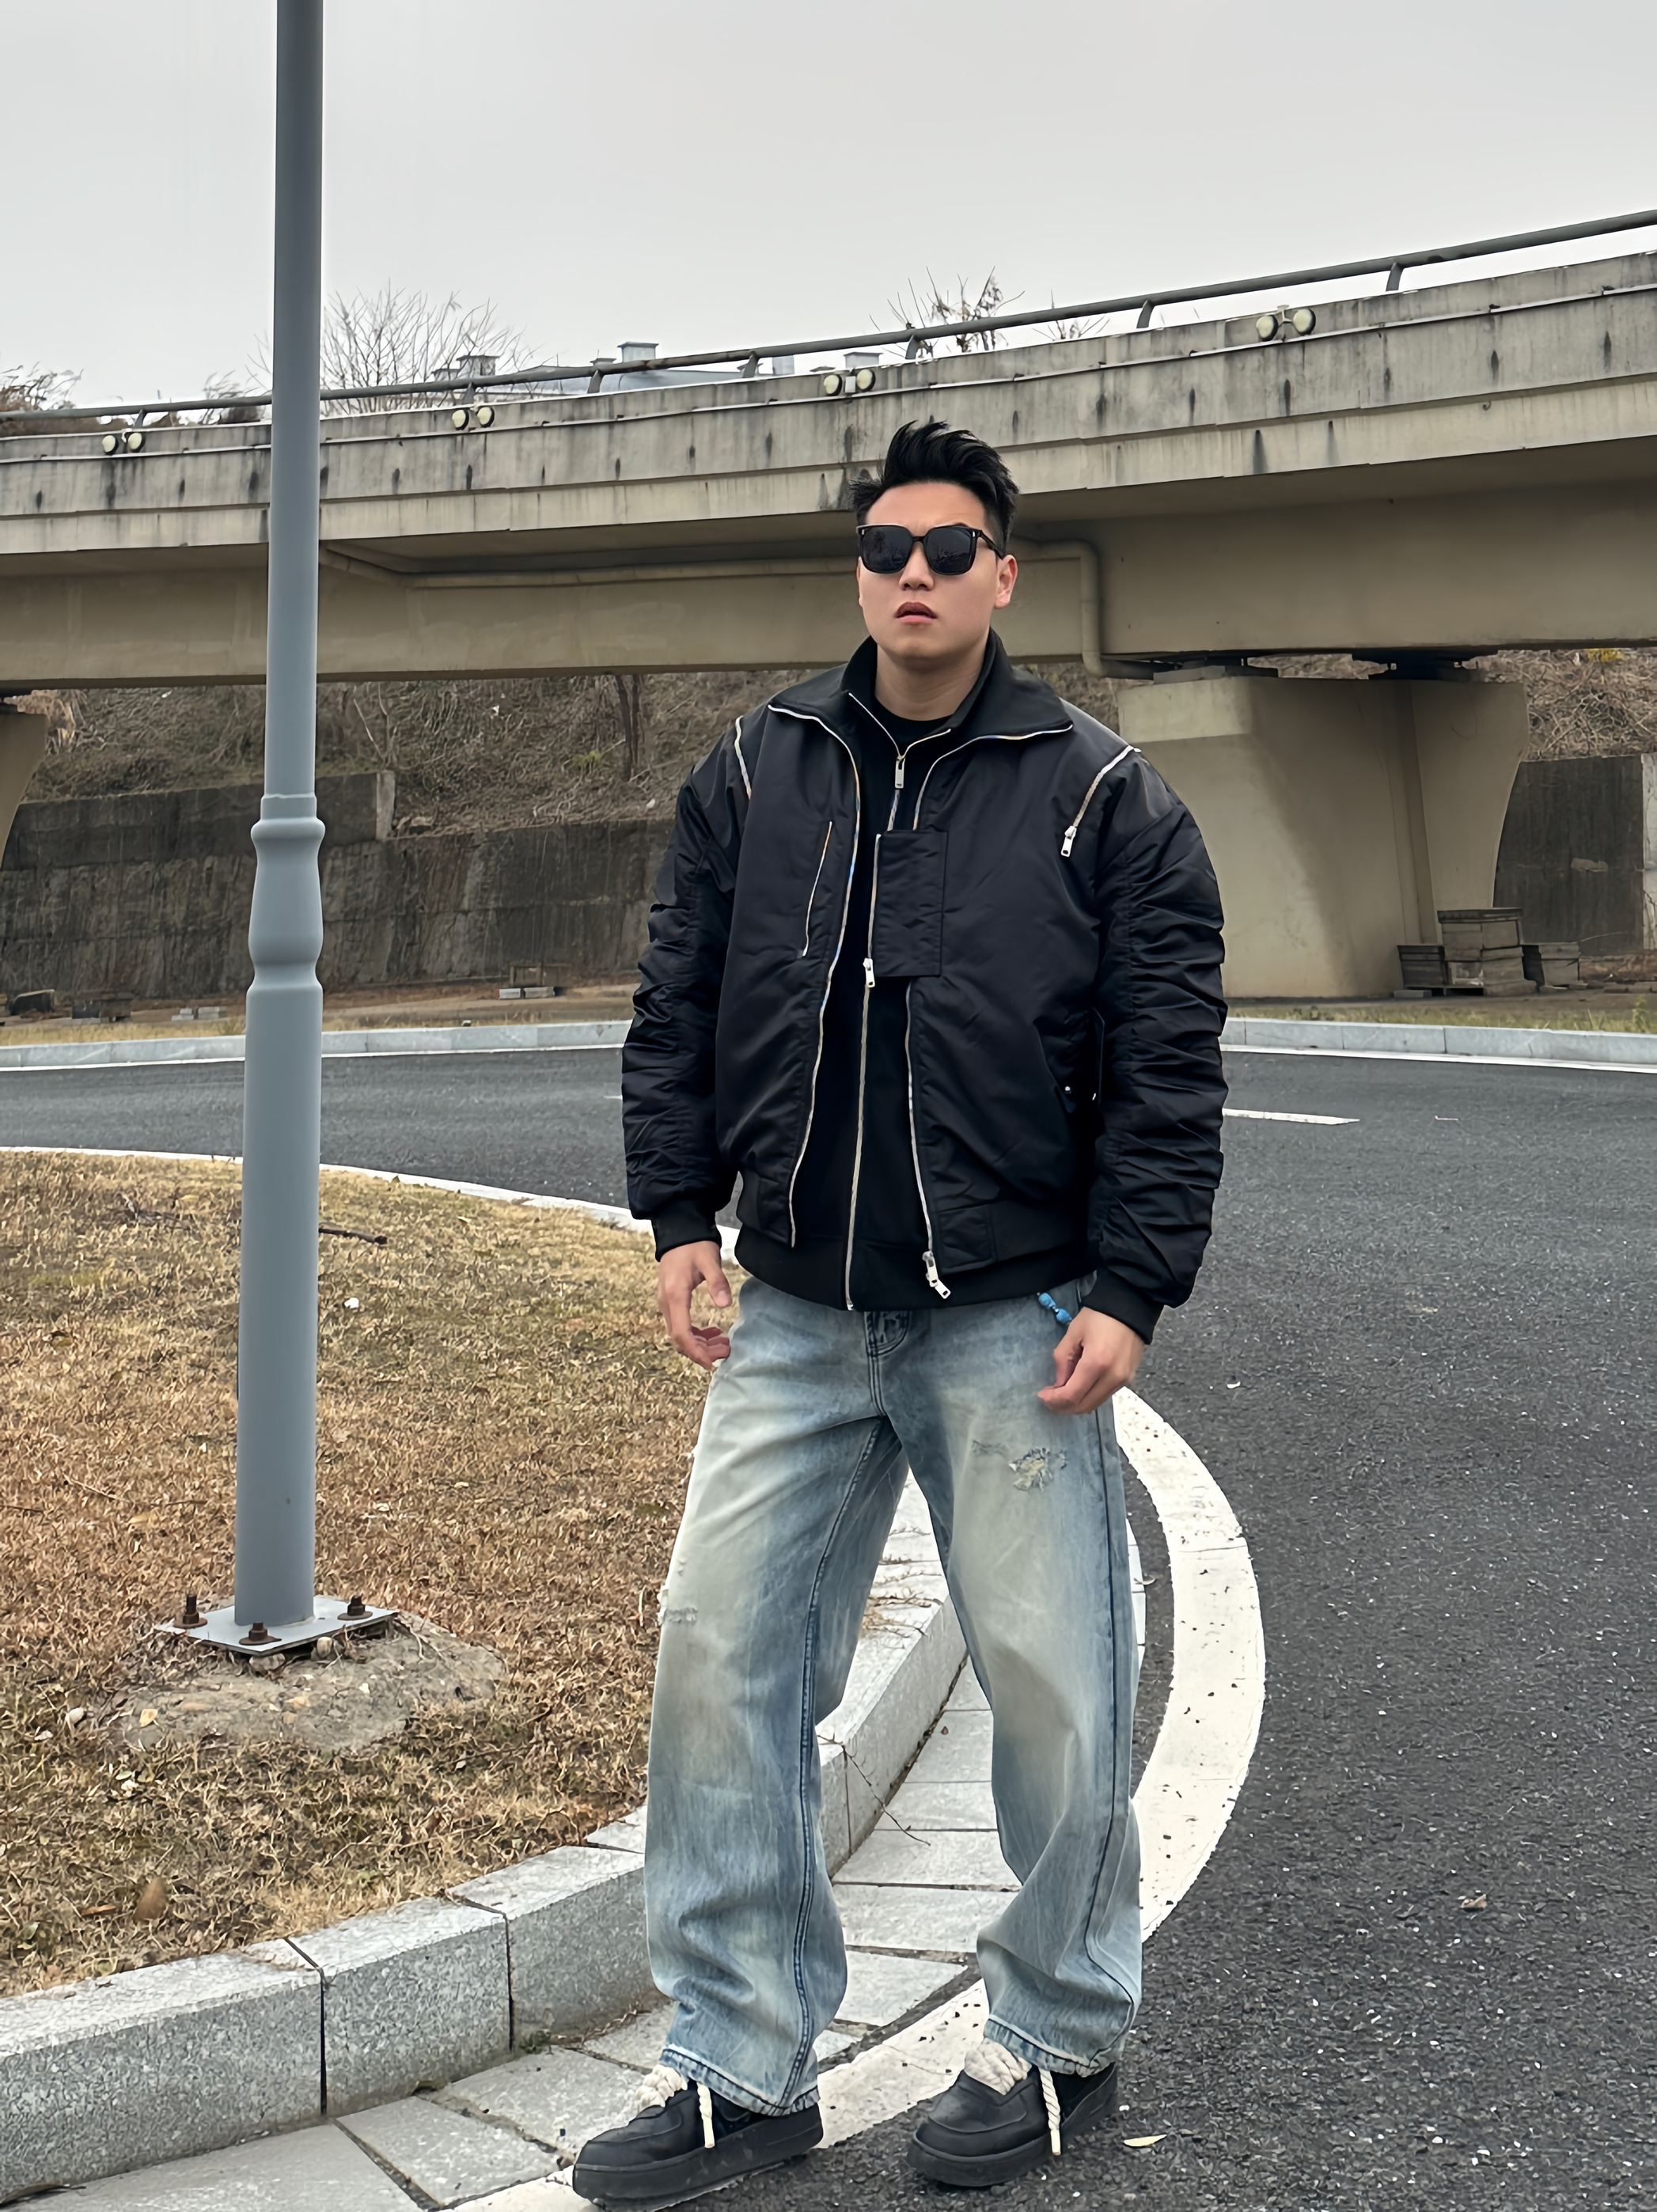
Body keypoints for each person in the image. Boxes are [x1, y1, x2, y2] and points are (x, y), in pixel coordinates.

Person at [574, 419, 1226, 2207]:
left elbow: (1167, 1067)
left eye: (948, 548)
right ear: (857, 574)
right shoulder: (755, 768)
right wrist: (677, 1215)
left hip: (1010, 1315)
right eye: (886, 548)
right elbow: (677, 1003)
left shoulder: (1101, 798)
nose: (914, 574)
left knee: (1055, 1688)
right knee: (719, 1660)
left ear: (1004, 574)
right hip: (790, 1309)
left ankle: (1061, 2033)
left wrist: (1132, 1283)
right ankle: (739, 2065)